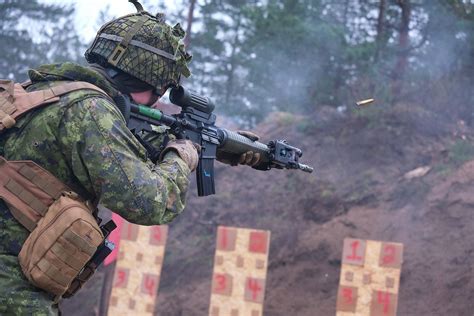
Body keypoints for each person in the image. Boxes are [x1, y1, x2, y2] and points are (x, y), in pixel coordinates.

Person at [0, 6, 259, 315]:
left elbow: (133, 142)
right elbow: (149, 202)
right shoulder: (93, 112)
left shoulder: (41, 94)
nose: (160, 100)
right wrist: (182, 156)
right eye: (160, 91)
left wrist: (223, 147)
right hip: (12, 293)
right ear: (151, 83)